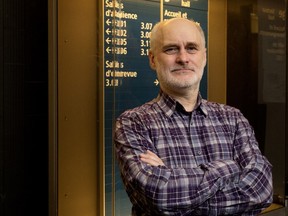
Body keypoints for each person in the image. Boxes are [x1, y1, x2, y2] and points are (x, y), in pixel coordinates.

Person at [114, 17, 273, 215]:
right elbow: (159, 196)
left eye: (191, 48)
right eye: (171, 49)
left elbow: (262, 189)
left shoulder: (233, 119)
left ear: (204, 57)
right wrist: (230, 167)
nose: (183, 58)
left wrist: (174, 181)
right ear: (153, 59)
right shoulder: (133, 123)